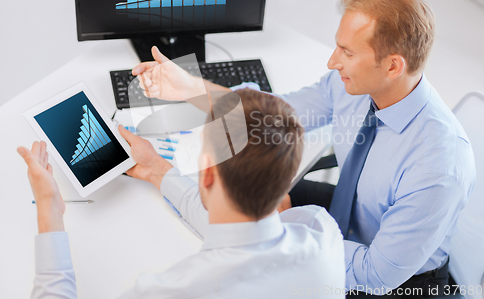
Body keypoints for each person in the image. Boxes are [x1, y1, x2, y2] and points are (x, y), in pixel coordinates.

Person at [133, 0, 476, 297]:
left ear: (392, 66)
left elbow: (376, 274)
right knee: (242, 198)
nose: (332, 61)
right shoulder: (355, 87)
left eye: (347, 52)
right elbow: (269, 119)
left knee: (245, 226)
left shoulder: (439, 166)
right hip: (351, 214)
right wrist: (190, 87)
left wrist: (275, 233)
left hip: (398, 283)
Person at [18, 89, 346, 299]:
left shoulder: (174, 290)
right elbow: (241, 231)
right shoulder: (321, 231)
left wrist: (49, 209)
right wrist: (156, 170)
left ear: (206, 175)